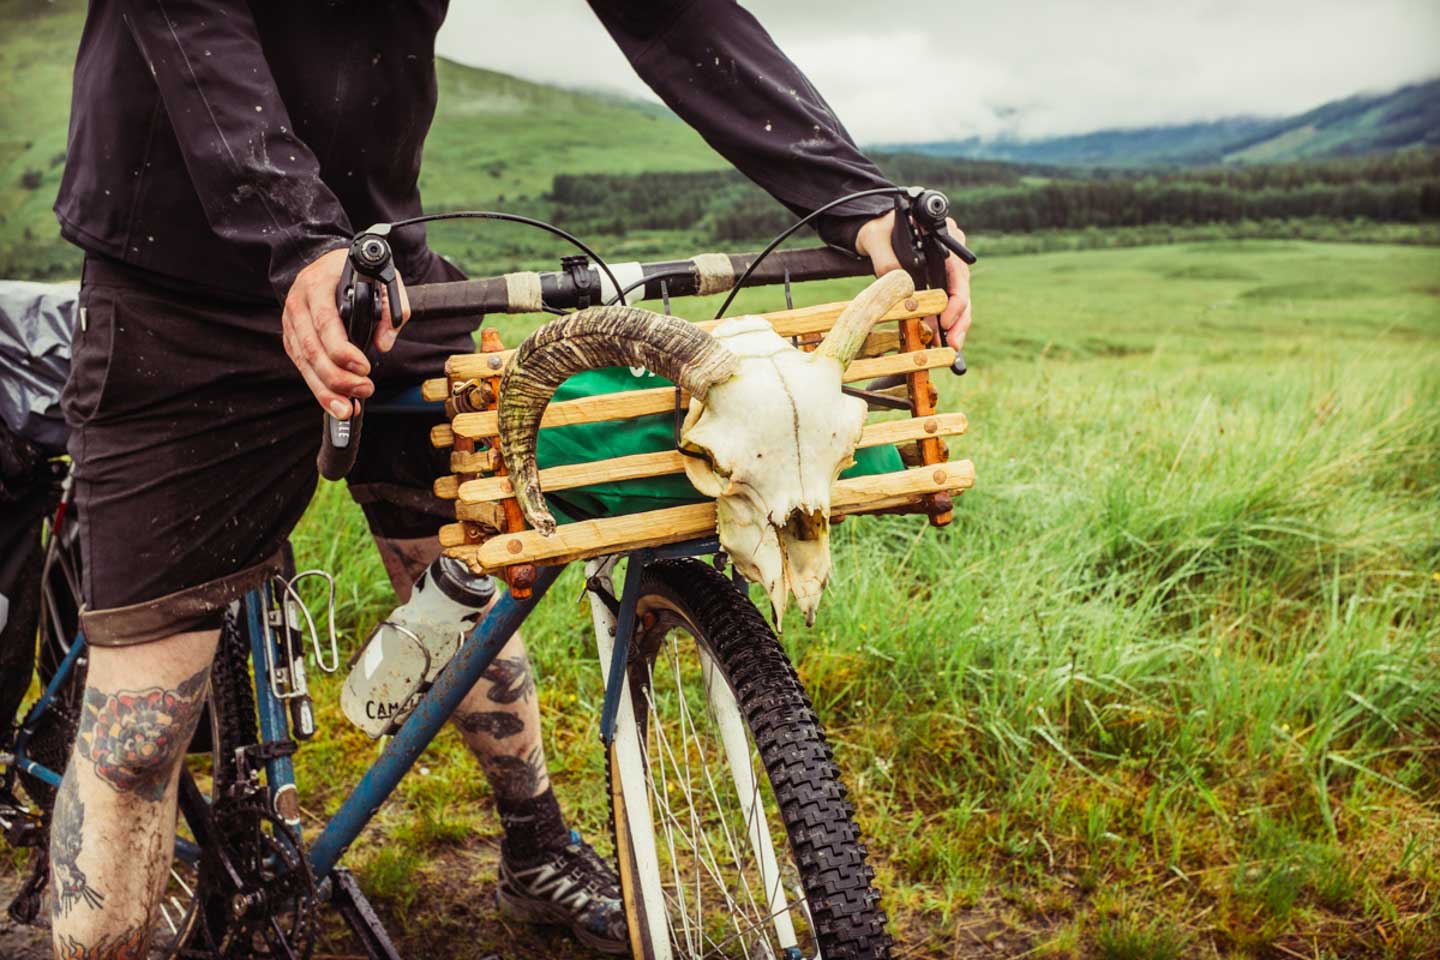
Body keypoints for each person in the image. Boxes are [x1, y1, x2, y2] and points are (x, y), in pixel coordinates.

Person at [47, 1, 973, 956]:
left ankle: (535, 847)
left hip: (384, 276)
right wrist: (296, 237)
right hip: (176, 291)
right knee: (138, 738)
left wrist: (858, 199)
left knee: (481, 547)